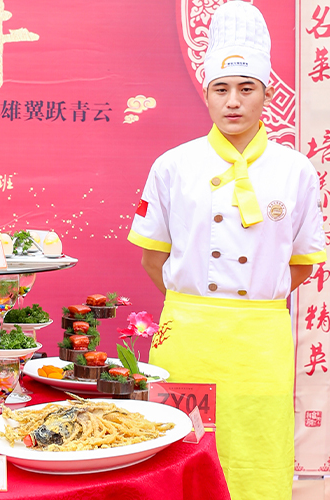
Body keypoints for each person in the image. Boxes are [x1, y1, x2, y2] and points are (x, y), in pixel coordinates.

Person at [127, 1, 326, 499]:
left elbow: (300, 263)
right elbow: (153, 257)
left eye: (246, 88)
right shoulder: (173, 166)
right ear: (207, 94)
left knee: (258, 446)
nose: (233, 102)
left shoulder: (296, 171)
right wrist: (197, 306)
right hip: (189, 335)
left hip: (259, 339)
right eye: (221, 89)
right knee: (179, 447)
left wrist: (252, 302)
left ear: (267, 93)